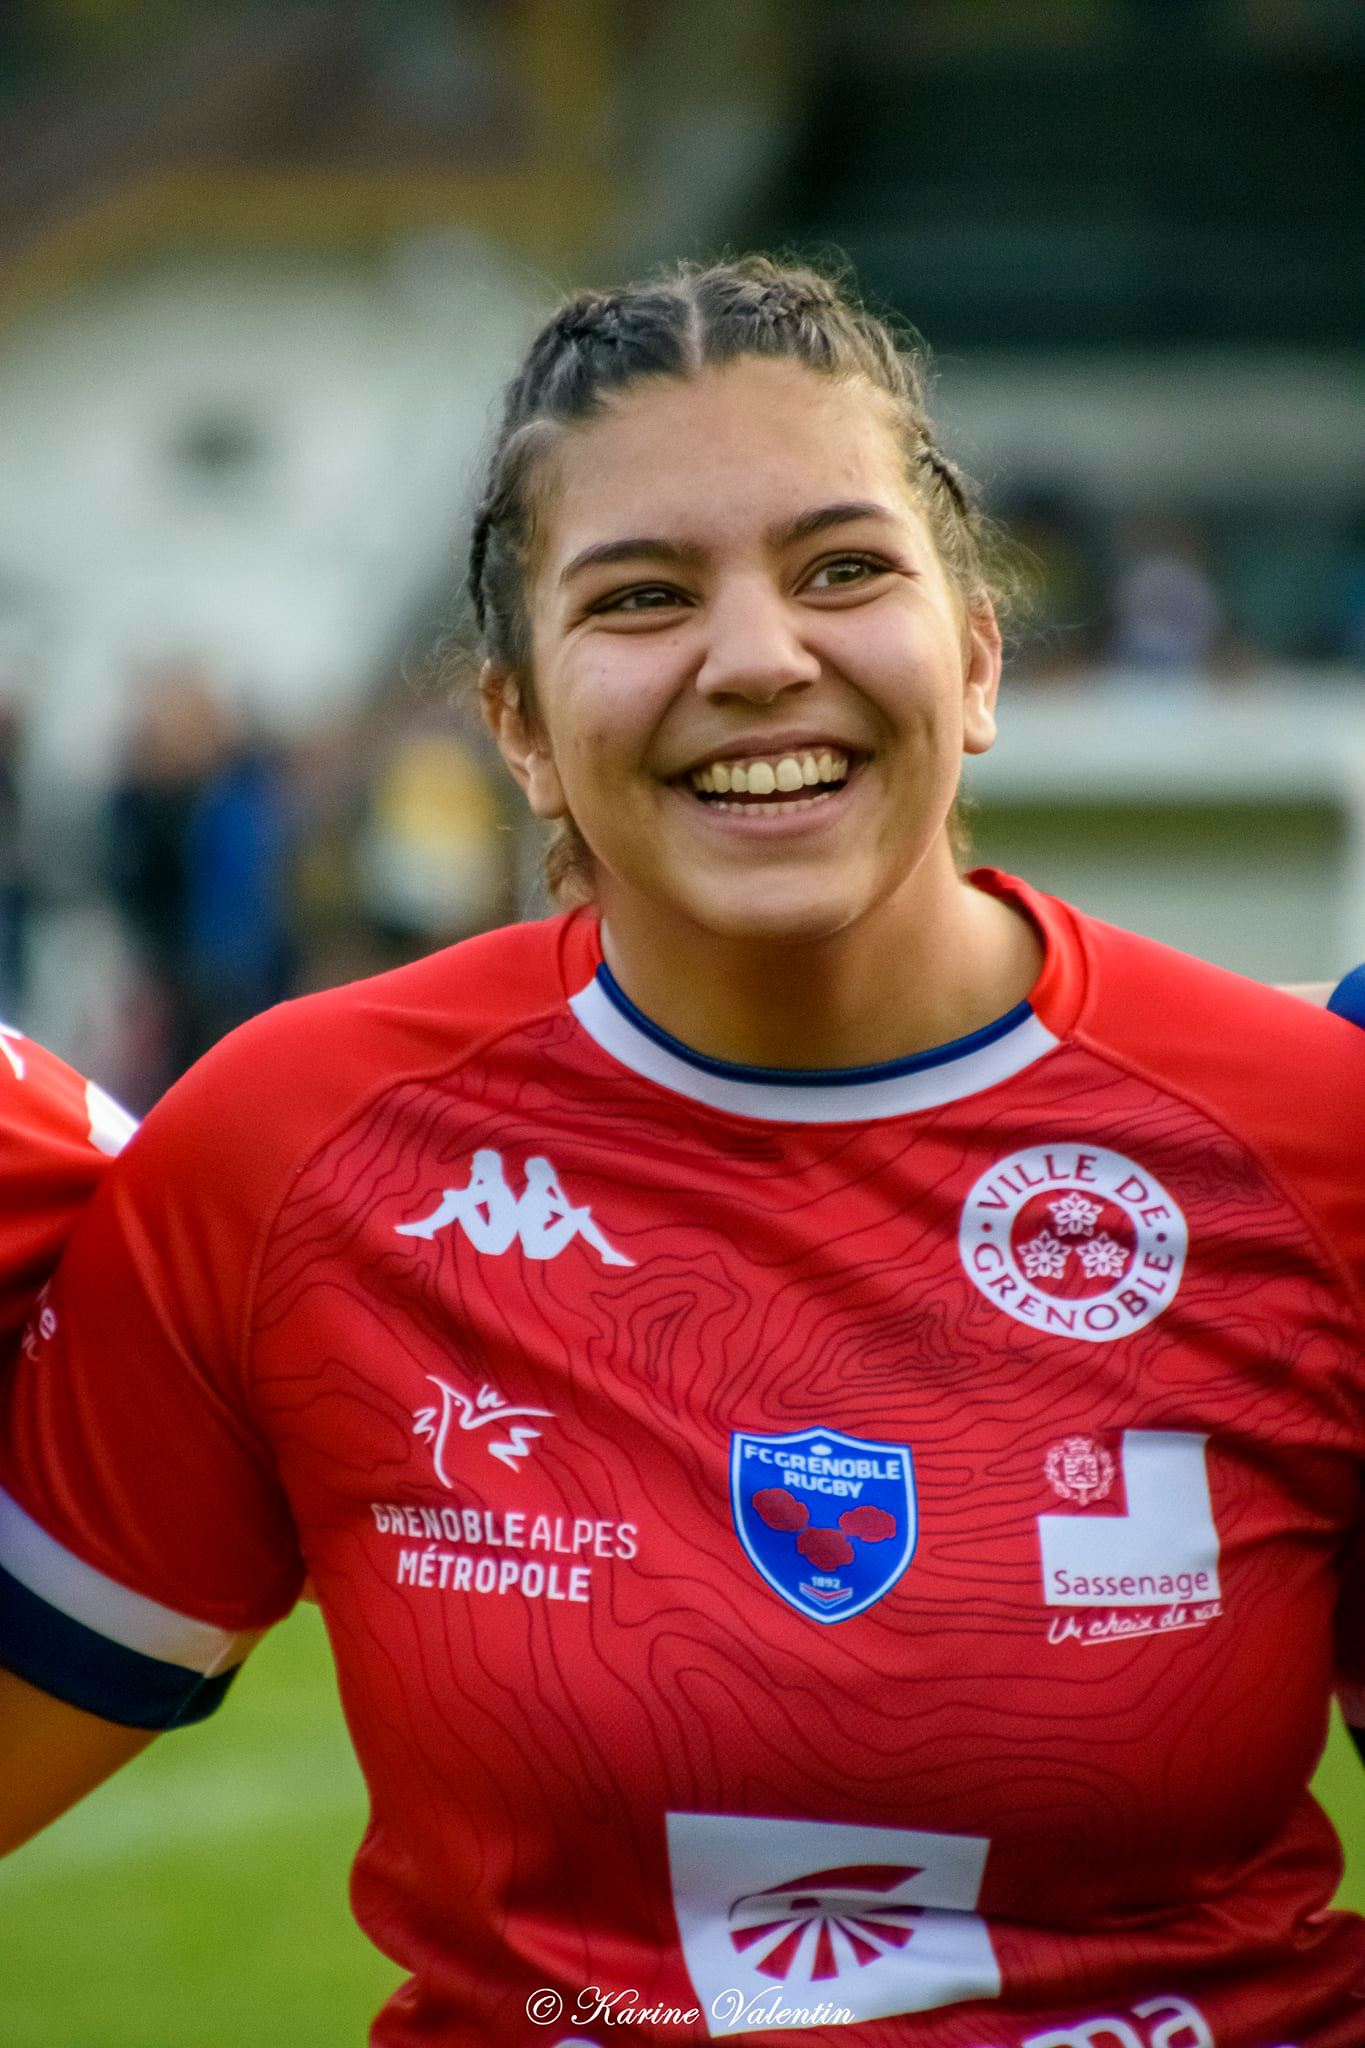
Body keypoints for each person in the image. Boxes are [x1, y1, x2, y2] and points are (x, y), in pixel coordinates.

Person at [2, 257, 1364, 2048]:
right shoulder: (286, 1153)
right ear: (516, 723)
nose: (755, 657)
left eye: (842, 570)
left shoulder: (1311, 1139)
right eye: (640, 597)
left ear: (973, 657)